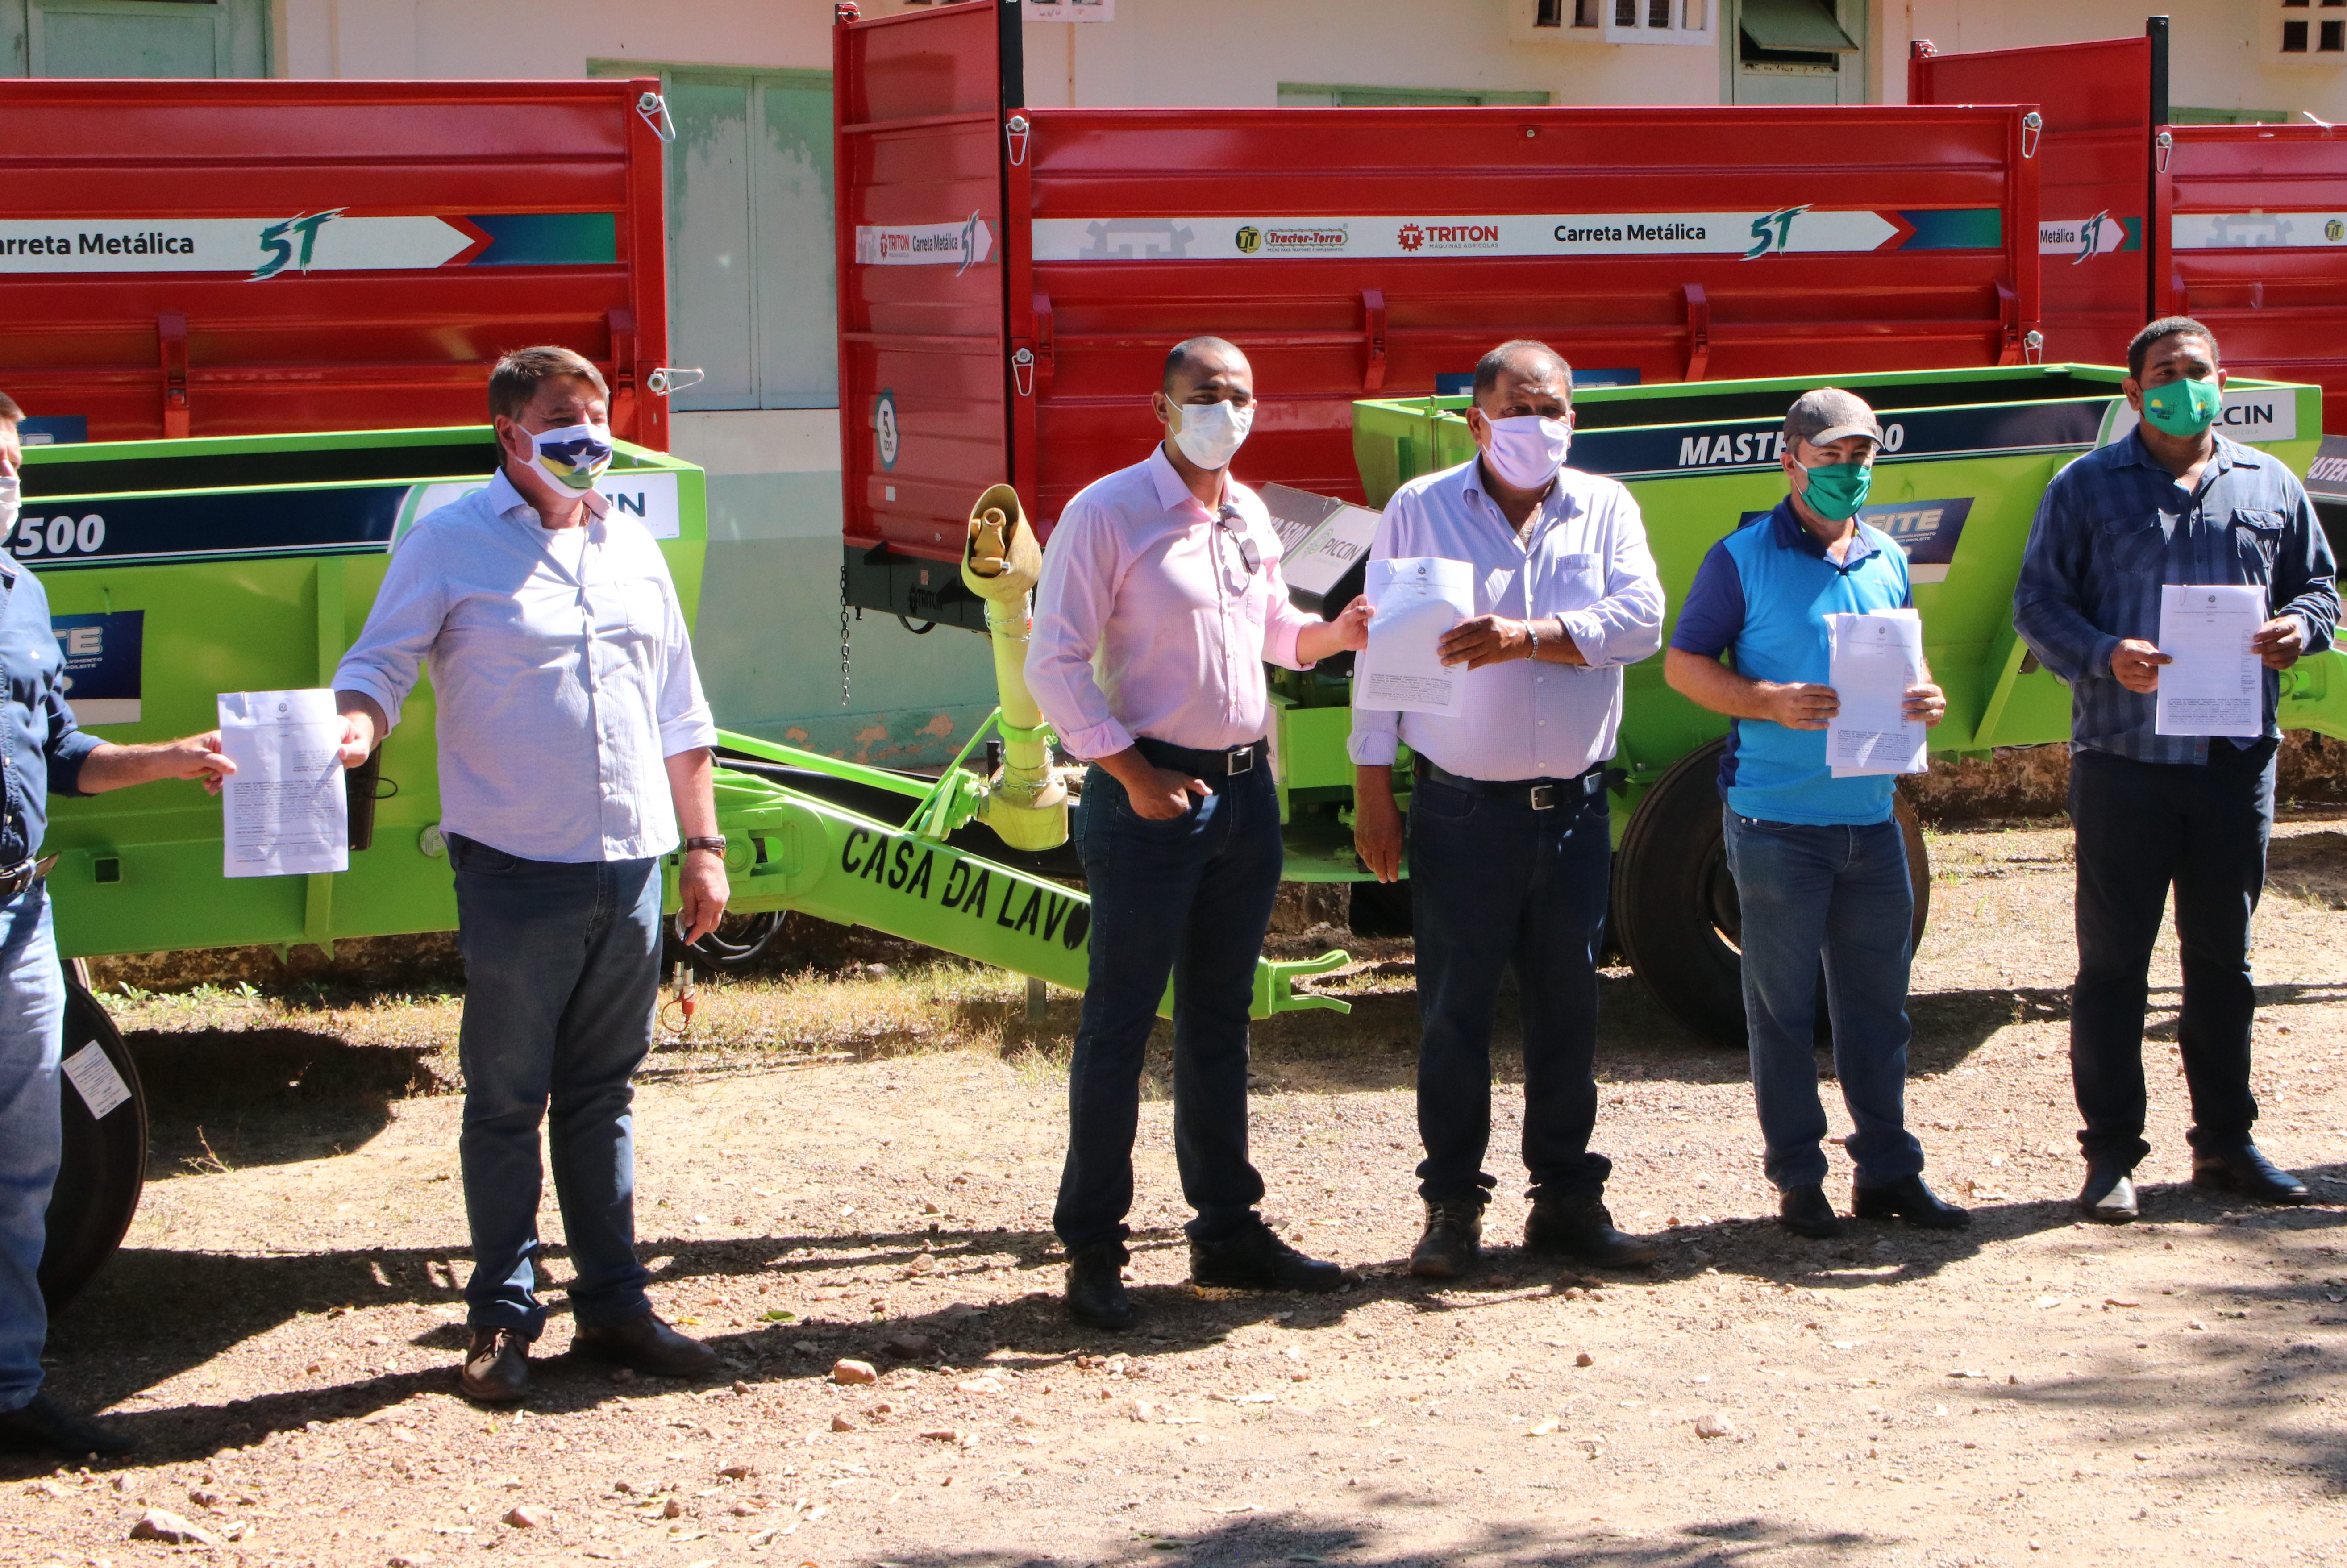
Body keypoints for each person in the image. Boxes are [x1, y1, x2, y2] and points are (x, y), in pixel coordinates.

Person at [333, 346, 730, 1402]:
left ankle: (615, 1307)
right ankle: (501, 1320)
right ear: (511, 433)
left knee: (602, 1094)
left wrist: (703, 847)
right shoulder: (449, 541)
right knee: (508, 1101)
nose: (588, 433)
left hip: (630, 865)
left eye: (597, 412)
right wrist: (356, 725)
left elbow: (681, 709)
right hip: (515, 868)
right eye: (563, 416)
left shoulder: (630, 541)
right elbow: (378, 663)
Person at [1027, 336, 1373, 1330]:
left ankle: (1227, 1229)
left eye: (1241, 396)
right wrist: (1131, 774)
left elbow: (1273, 630)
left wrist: (1334, 635)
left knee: (1219, 1022)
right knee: (1119, 1023)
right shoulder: (1107, 513)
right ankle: (1094, 1248)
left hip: (1242, 800)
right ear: (1163, 408)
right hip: (1149, 800)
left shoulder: (1247, 511)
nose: (1227, 411)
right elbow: (1054, 662)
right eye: (1206, 395)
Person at [1349, 340, 1665, 1278]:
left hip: (1570, 811)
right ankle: (1451, 1206)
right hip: (1460, 812)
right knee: (1453, 1014)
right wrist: (1373, 787)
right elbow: (1383, 655)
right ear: (1477, 420)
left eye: (1553, 409)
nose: (1538, 425)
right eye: (1519, 409)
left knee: (1569, 1010)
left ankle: (1565, 1198)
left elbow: (1642, 621)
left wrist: (1531, 636)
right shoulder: (1420, 508)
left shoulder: (1606, 506)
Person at [2013, 317, 2338, 1223]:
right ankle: (2110, 1154)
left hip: (2233, 764)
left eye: (2196, 370)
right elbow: (2037, 603)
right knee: (2113, 966)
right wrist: (2102, 652)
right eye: (2162, 373)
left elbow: (2318, 586)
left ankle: (2225, 1143)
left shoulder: (2269, 482)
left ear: (2221, 383)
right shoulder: (2084, 486)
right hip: (2125, 762)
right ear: (2133, 393)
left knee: (2223, 964)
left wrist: (2300, 627)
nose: (2181, 385)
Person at [1664, 387, 1968, 1240]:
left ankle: (1888, 1171)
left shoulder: (1885, 556)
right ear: (1790, 460)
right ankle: (1798, 1178)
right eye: (1829, 455)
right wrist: (1768, 700)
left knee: (1878, 1010)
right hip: (1775, 824)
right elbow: (1683, 665)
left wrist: (1926, 697)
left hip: (1871, 821)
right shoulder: (1740, 557)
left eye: (1860, 455)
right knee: (1782, 1011)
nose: (1847, 469)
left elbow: (1903, 666)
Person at [0, 391, 239, 1456]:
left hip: (18, 914)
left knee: (24, 1165)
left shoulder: (25, 595)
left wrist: (174, 759)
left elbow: (65, 754)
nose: (6, 483)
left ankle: (9, 1387)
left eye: (13, 465)